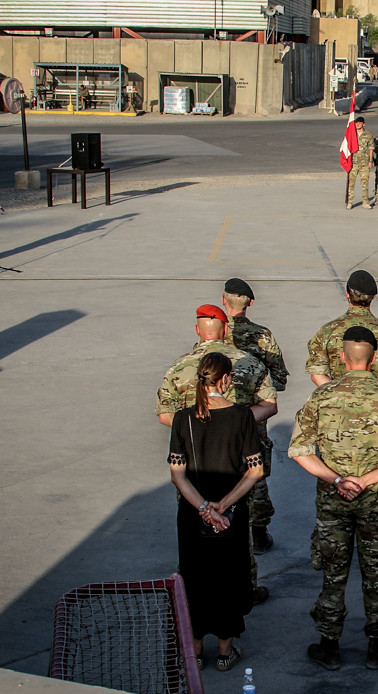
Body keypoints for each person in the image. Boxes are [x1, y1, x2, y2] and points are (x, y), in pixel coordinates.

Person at [289, 326, 378, 671]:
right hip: (376, 501)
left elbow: (300, 450)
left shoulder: (321, 396)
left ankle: (328, 645)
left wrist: (338, 479)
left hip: (333, 500)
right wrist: (364, 481)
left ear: (342, 357)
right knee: (376, 573)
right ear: (375, 358)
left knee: (333, 573)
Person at [157, 304, 278, 605]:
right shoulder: (248, 363)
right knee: (238, 531)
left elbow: (164, 415)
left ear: (197, 331)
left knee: (191, 531)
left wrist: (196, 428)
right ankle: (244, 590)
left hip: (193, 464)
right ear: (225, 331)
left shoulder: (178, 367)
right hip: (235, 464)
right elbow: (270, 405)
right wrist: (234, 423)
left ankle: (189, 594)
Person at [168, 352, 264, 672]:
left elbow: (177, 474)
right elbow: (254, 470)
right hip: (231, 516)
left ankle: (194, 653)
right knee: (227, 578)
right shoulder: (241, 416)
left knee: (195, 579)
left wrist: (205, 508)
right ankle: (225, 653)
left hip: (192, 516)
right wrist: (223, 505)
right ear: (225, 380)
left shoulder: (183, 418)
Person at [217, 278, 289, 555]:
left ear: (224, 300)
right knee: (254, 475)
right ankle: (258, 535)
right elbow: (280, 380)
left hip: (215, 419)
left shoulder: (214, 336)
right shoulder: (263, 336)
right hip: (252, 420)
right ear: (250, 303)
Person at [306, 270, 378, 386]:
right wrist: (375, 394)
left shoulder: (327, 331)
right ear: (373, 297)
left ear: (347, 294)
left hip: (337, 401)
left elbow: (317, 375)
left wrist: (337, 394)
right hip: (376, 401)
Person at [347, 117, 375, 209]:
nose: (358, 124)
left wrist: (370, 161)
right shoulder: (351, 134)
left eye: (360, 122)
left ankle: (365, 202)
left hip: (364, 162)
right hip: (353, 162)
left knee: (365, 183)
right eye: (356, 123)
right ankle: (350, 202)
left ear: (364, 123)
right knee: (351, 183)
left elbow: (371, 148)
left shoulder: (368, 134)